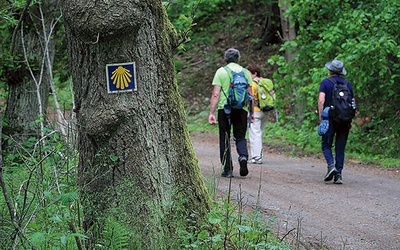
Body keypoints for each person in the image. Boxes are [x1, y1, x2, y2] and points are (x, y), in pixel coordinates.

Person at [208, 48, 253, 178]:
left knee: (225, 137)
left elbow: (216, 94)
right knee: (240, 136)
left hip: (225, 109)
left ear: (225, 59)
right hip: (242, 110)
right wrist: (252, 112)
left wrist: (211, 112)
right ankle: (243, 157)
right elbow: (251, 95)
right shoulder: (246, 72)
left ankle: (227, 169)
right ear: (238, 59)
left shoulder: (221, 72)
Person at [318, 59, 355, 184]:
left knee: (326, 144)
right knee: (340, 147)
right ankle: (338, 174)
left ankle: (330, 166)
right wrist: (350, 119)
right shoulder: (347, 84)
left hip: (330, 118)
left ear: (330, 70)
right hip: (345, 119)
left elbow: (321, 100)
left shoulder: (326, 83)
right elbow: (353, 103)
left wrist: (321, 117)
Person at [247, 65, 274, 164]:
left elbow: (251, 99)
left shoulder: (253, 84)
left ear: (254, 74)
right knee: (259, 133)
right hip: (265, 111)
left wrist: (251, 113)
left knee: (254, 134)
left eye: (249, 73)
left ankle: (256, 157)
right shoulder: (266, 83)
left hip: (255, 111)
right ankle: (259, 154)